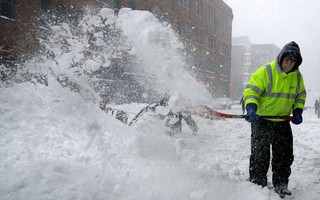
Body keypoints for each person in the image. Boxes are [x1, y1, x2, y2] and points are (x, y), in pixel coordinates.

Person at [243, 41, 306, 198]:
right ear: (281, 58)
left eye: (292, 61)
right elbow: (251, 90)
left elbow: (300, 95)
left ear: (296, 62)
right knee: (260, 155)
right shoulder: (267, 71)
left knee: (284, 155)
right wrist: (251, 107)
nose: (288, 64)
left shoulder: (297, 77)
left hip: (282, 121)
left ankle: (281, 183)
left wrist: (298, 110)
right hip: (262, 120)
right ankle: (258, 184)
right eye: (286, 60)